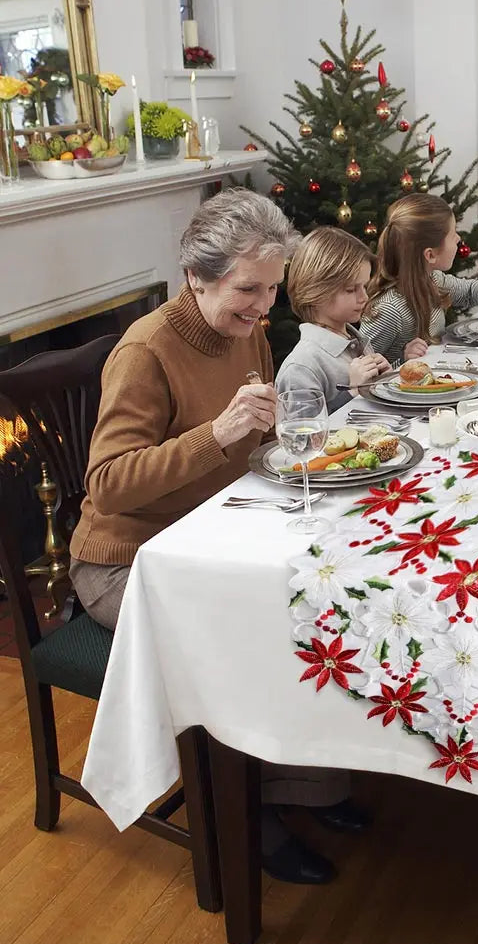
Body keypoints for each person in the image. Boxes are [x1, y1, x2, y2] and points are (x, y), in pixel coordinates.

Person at [68, 189, 359, 887]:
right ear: (196, 276)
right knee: (247, 628)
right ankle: (242, 810)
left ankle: (301, 785)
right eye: (247, 289)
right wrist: (217, 435)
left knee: (319, 593)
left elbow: (253, 429)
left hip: (212, 528)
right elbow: (107, 483)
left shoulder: (245, 328)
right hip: (127, 559)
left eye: (271, 289)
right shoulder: (145, 351)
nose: (264, 307)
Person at [364, 193, 478, 365]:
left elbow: (470, 290)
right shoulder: (389, 310)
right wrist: (402, 357)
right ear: (430, 255)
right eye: (453, 235)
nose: (459, 239)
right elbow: (362, 367)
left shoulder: (433, 280)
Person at [277, 227, 390, 412]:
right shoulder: (301, 367)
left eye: (364, 286)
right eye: (351, 289)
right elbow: (302, 435)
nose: (364, 297)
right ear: (317, 291)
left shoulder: (356, 341)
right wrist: (353, 392)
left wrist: (382, 381)